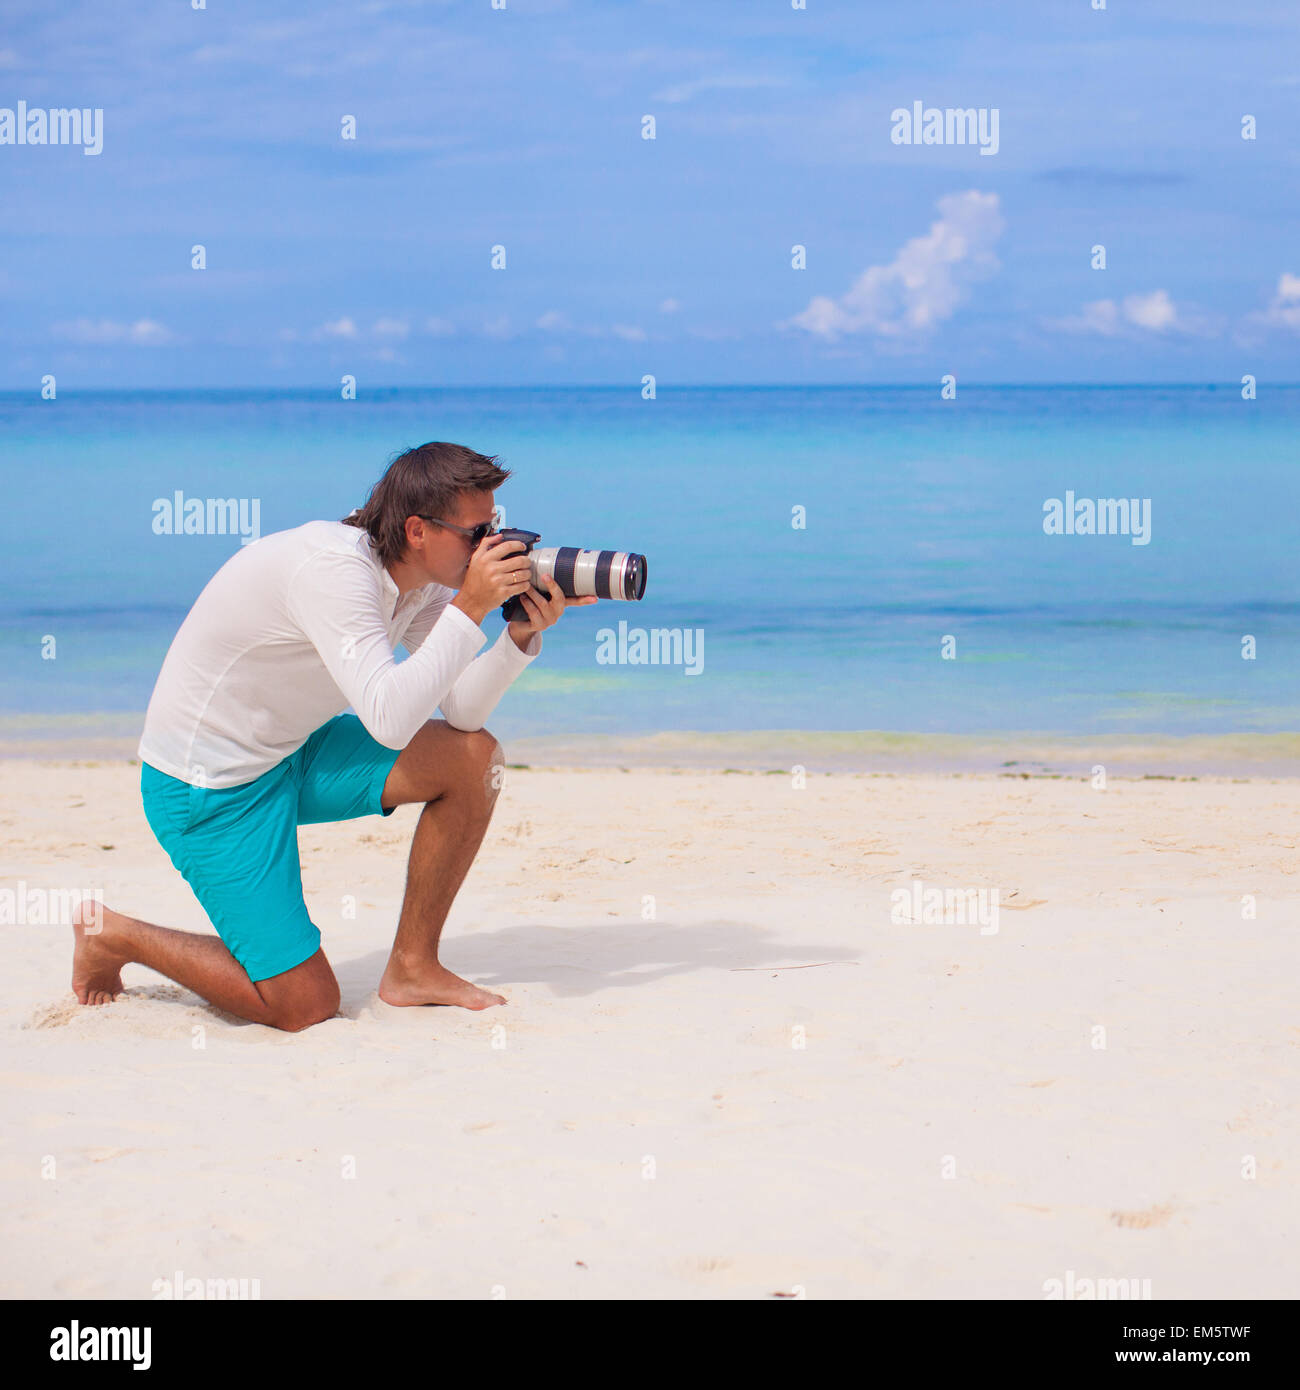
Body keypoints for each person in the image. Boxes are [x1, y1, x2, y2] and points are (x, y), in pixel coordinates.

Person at [71, 441, 594, 1030]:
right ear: (417, 529)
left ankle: (412, 968)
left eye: (494, 528)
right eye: (476, 534)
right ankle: (115, 936)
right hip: (209, 790)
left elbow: (461, 710)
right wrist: (469, 606)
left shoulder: (415, 575)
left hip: (294, 748)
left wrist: (517, 638)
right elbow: (390, 719)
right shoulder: (335, 573)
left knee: (473, 757)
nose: (492, 548)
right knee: (305, 1006)